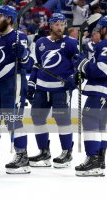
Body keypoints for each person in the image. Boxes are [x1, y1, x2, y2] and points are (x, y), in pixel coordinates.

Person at [0, 5, 34, 174]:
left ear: (9, 19)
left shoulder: (19, 37)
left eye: (1, 16)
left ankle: (22, 156)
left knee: (13, 120)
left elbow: (28, 64)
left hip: (13, 82)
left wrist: (23, 54)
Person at [26, 13, 79, 168]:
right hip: (42, 89)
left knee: (62, 121)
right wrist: (31, 84)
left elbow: (80, 65)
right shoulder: (41, 43)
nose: (60, 27)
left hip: (61, 90)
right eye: (57, 24)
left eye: (62, 24)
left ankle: (66, 153)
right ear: (50, 25)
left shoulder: (71, 43)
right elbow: (36, 65)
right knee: (37, 119)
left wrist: (75, 78)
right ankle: (44, 152)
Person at [72, 15, 107, 177]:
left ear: (105, 29)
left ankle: (93, 161)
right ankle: (99, 160)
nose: (98, 30)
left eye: (100, 28)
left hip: (103, 89)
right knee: (100, 125)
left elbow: (103, 69)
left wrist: (83, 64)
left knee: (90, 120)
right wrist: (83, 71)